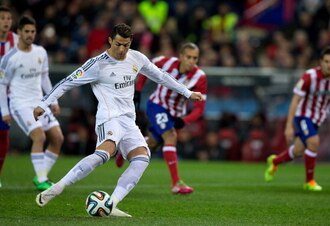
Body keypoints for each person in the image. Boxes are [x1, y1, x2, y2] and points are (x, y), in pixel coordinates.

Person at [34, 23, 203, 217]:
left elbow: (161, 76)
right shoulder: (97, 64)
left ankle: (111, 204)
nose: (122, 49)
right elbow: (67, 82)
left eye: (126, 45)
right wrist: (44, 103)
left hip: (128, 121)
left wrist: (187, 93)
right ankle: (58, 187)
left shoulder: (136, 58)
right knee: (104, 154)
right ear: (110, 41)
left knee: (142, 158)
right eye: (118, 44)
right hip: (109, 118)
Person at [116, 42, 207, 194]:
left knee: (152, 143)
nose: (191, 61)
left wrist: (184, 120)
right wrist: (138, 90)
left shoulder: (200, 77)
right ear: (181, 56)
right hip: (157, 105)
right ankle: (176, 183)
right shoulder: (164, 62)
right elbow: (145, 67)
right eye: (189, 57)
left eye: (195, 58)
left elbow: (200, 108)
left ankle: (124, 149)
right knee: (171, 136)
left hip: (174, 114)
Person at [0, 15, 64, 191]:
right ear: (19, 32)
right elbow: (2, 85)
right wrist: (4, 111)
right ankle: (43, 180)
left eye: (33, 31)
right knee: (39, 136)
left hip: (39, 103)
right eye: (26, 31)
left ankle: (39, 176)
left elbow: (44, 78)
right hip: (20, 104)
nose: (30, 34)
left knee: (58, 138)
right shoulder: (9, 58)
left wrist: (53, 100)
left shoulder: (40, 52)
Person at [264, 46, 330, 191]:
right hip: (303, 116)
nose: (329, 65)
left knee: (298, 151)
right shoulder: (309, 76)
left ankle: (275, 161)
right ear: (320, 62)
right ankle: (309, 181)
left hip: (318, 118)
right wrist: (288, 126)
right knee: (313, 142)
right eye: (326, 61)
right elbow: (295, 100)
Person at [0, 5, 18, 188]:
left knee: (3, 134)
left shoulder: (17, 40)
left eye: (8, 18)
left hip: (7, 95)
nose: (6, 21)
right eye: (2, 18)